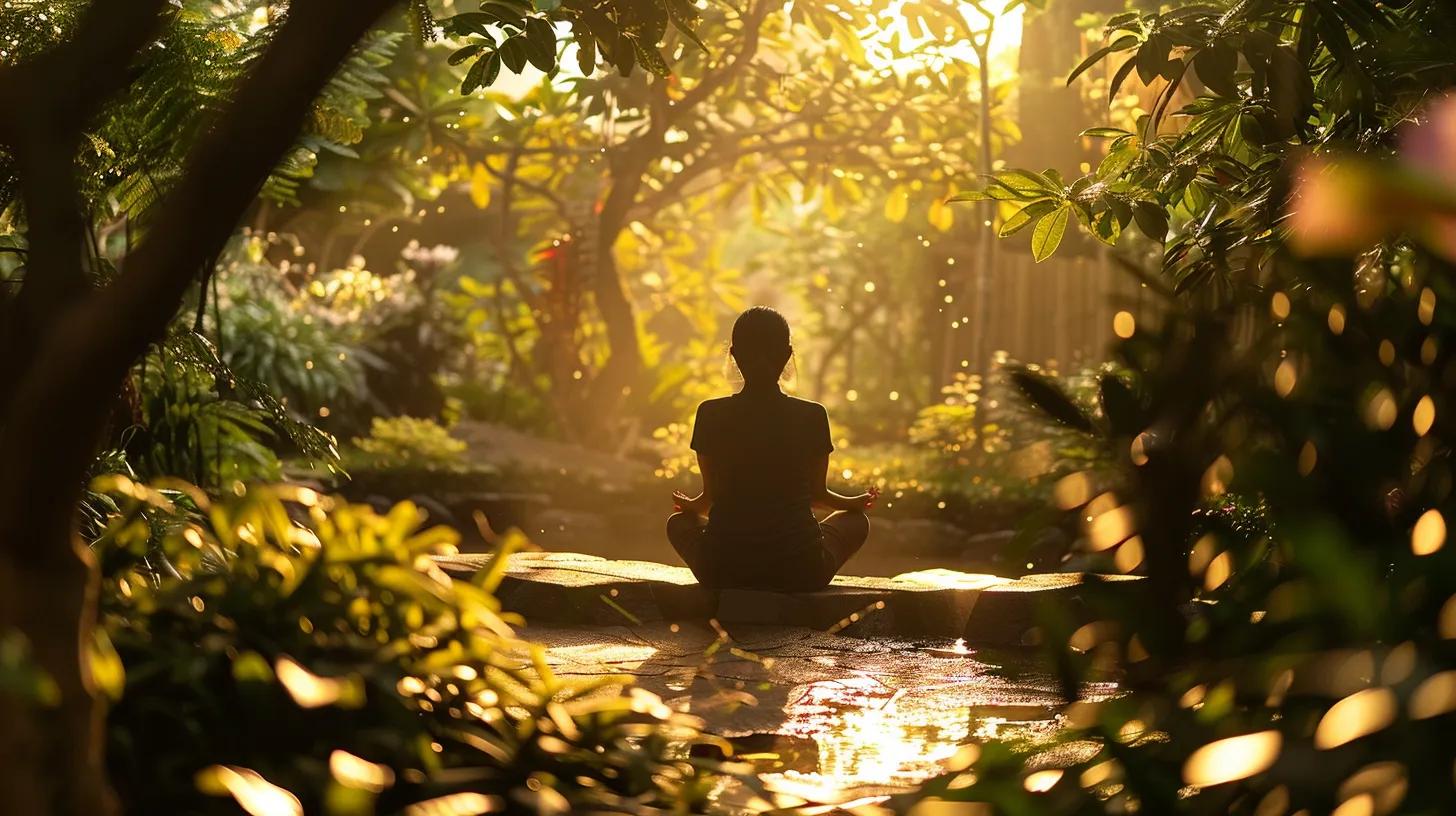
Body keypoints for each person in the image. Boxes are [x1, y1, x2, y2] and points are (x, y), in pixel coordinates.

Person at [667, 306, 878, 592]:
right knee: (856, 523)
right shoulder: (812, 416)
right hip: (800, 570)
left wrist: (690, 506)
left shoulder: (710, 414)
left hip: (722, 568)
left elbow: (710, 498)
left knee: (678, 524)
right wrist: (853, 504)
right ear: (787, 354)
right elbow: (817, 496)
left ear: (734, 354)